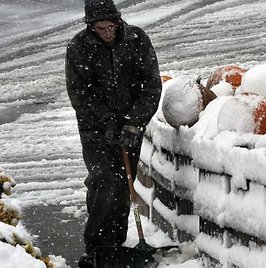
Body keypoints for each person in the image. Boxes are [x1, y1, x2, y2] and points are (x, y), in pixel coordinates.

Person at [65, 0, 162, 267]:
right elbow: (79, 94)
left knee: (122, 183)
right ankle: (97, 246)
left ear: (118, 21)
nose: (107, 32)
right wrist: (107, 122)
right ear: (90, 26)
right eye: (101, 28)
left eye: (111, 26)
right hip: (95, 130)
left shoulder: (136, 39)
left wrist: (134, 122)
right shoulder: (79, 48)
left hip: (131, 128)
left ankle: (115, 244)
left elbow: (152, 85)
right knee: (102, 180)